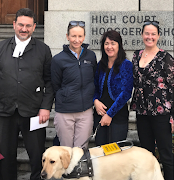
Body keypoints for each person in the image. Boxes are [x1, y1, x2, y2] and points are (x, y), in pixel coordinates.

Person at [0, 8, 54, 180]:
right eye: (21, 25)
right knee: (4, 156)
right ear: (14, 24)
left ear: (34, 27)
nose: (24, 29)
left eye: (28, 26)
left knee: (37, 156)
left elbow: (50, 82)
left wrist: (46, 107)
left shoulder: (43, 50)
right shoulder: (1, 47)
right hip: (5, 112)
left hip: (34, 112)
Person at [131, 20, 174, 180]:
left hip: (161, 112)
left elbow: (173, 87)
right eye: (147, 33)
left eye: (153, 34)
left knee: (166, 154)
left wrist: (173, 117)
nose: (150, 37)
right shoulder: (136, 55)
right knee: (146, 153)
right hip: (142, 112)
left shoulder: (165, 57)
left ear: (158, 36)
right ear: (142, 35)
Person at [51, 21, 97, 148]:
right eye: (73, 36)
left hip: (85, 111)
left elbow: (93, 79)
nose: (77, 40)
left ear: (84, 36)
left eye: (80, 36)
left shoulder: (91, 56)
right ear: (67, 36)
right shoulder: (58, 59)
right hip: (65, 112)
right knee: (66, 151)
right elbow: (55, 84)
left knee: (80, 151)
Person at [93, 30, 133, 146]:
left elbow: (126, 93)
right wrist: (95, 101)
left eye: (113, 43)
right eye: (106, 44)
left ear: (119, 45)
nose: (109, 47)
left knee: (115, 154)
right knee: (101, 151)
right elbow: (95, 88)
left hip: (117, 116)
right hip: (99, 115)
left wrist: (109, 114)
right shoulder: (101, 65)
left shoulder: (126, 65)